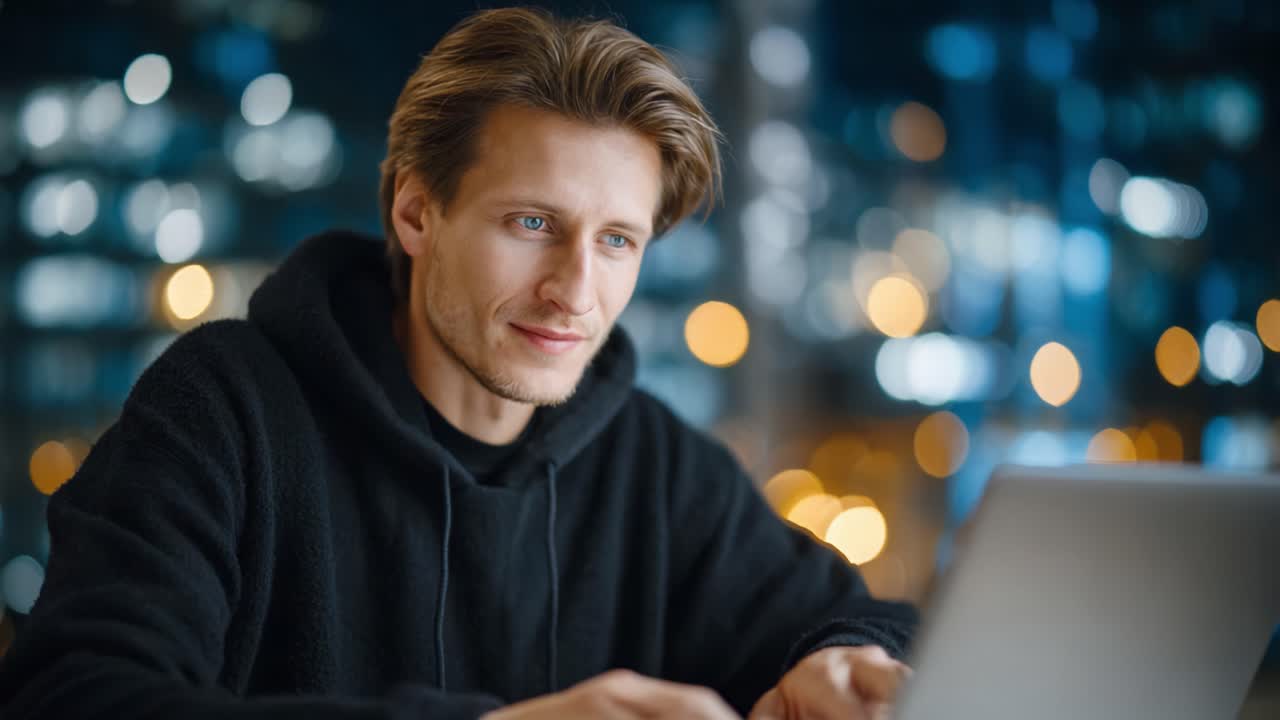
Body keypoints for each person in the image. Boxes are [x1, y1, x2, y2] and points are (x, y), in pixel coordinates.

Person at [0, 7, 916, 719]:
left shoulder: (657, 466)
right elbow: (73, 697)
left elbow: (872, 622)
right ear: (415, 213)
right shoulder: (222, 410)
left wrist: (846, 664)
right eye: (533, 224)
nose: (576, 291)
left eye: (619, 241)